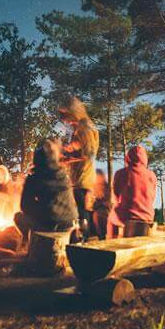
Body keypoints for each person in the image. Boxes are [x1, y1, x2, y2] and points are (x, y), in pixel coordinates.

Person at [15, 140, 78, 241]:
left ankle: (28, 242)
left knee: (18, 217)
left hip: (49, 224)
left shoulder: (34, 178)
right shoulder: (63, 175)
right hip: (70, 221)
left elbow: (25, 206)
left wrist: (41, 209)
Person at [58, 96, 99, 236]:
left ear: (73, 111)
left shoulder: (84, 127)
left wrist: (67, 160)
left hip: (83, 178)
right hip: (79, 177)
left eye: (65, 115)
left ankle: (86, 242)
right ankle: (89, 239)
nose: (63, 119)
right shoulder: (80, 127)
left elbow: (89, 153)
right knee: (83, 210)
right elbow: (80, 148)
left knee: (82, 212)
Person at [107, 146, 157, 238]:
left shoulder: (121, 173)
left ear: (128, 158)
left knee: (111, 217)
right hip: (147, 216)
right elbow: (152, 197)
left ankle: (111, 244)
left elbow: (115, 196)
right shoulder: (152, 175)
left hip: (128, 216)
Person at [92, 169, 111, 239]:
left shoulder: (106, 187)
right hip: (96, 208)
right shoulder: (93, 186)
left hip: (102, 209)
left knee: (98, 215)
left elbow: (106, 202)